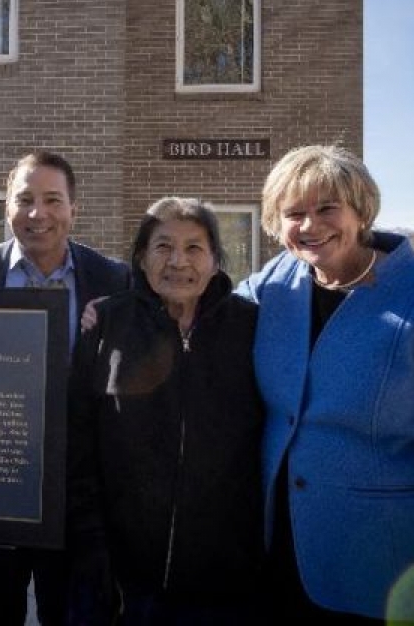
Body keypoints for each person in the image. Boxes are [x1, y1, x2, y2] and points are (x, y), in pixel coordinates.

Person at [238, 144, 414, 624]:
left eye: (327, 208)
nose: (310, 226)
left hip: (387, 582)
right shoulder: (275, 285)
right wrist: (116, 311)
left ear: (361, 210)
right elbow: (201, 311)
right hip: (280, 565)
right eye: (294, 213)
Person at [66, 197, 264, 625]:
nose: (178, 261)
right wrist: (91, 545)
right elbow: (78, 442)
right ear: (140, 258)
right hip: (123, 577)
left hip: (223, 582)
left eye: (194, 247)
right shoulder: (105, 323)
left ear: (215, 260)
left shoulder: (251, 328)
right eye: (163, 246)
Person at [0, 150, 132, 626]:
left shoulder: (114, 279)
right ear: (6, 206)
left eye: (53, 199)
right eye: (25, 199)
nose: (39, 213)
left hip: (80, 491)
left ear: (74, 208)